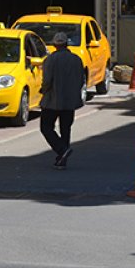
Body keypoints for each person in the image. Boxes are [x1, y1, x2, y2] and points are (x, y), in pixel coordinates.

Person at [39, 32, 86, 169]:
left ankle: (61, 150)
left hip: (52, 100)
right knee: (66, 129)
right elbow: (81, 80)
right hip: (69, 101)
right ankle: (62, 158)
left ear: (54, 45)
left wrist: (43, 90)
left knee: (46, 127)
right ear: (67, 44)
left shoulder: (50, 60)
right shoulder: (76, 59)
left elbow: (47, 81)